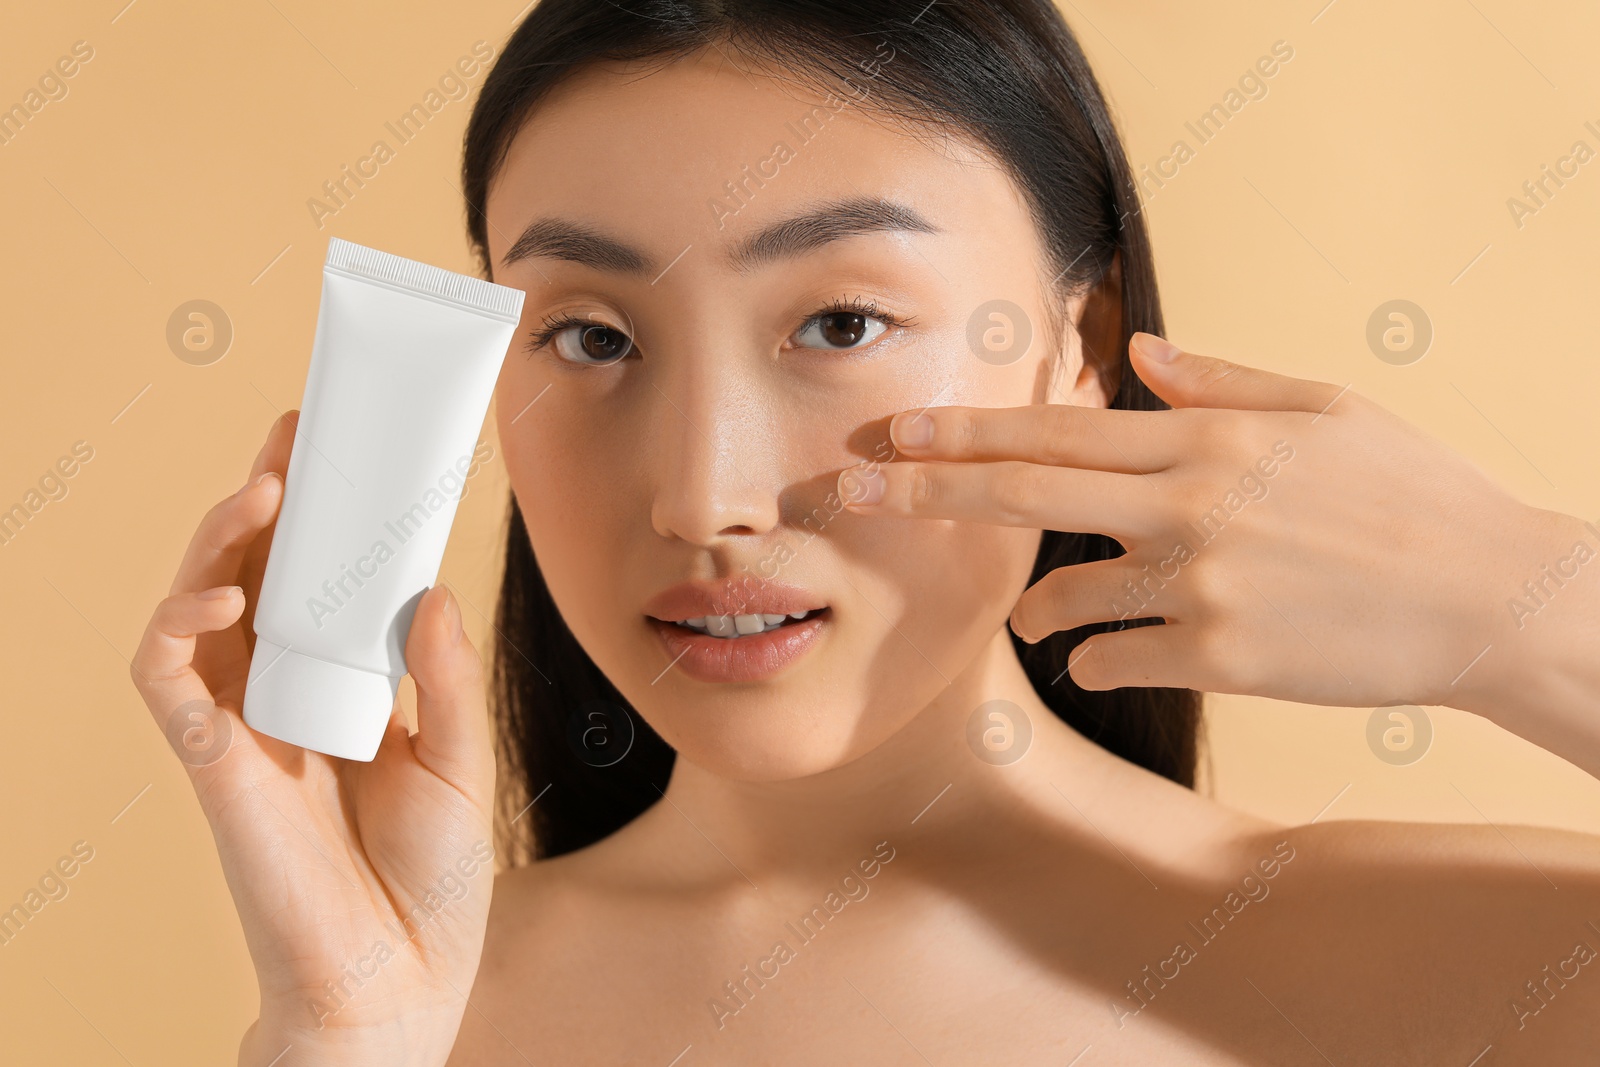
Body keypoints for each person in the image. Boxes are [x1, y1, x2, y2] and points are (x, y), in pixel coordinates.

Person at [131, 1, 1600, 1063]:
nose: (702, 497)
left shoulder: (1450, 969)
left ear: (1077, 345)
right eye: (587, 338)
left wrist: (1529, 603)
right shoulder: (405, 1006)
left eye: (841, 320)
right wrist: (342, 1042)